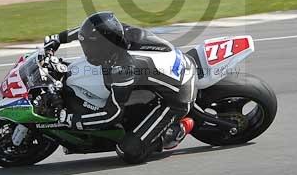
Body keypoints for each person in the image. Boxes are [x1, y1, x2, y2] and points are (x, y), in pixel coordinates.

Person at [44, 11, 195, 161]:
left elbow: (112, 114)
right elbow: (88, 30)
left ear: (104, 46)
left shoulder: (125, 68)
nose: (87, 51)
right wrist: (58, 38)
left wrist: (74, 120)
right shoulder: (116, 33)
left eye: (90, 47)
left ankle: (174, 132)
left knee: (129, 151)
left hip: (177, 97)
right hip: (170, 68)